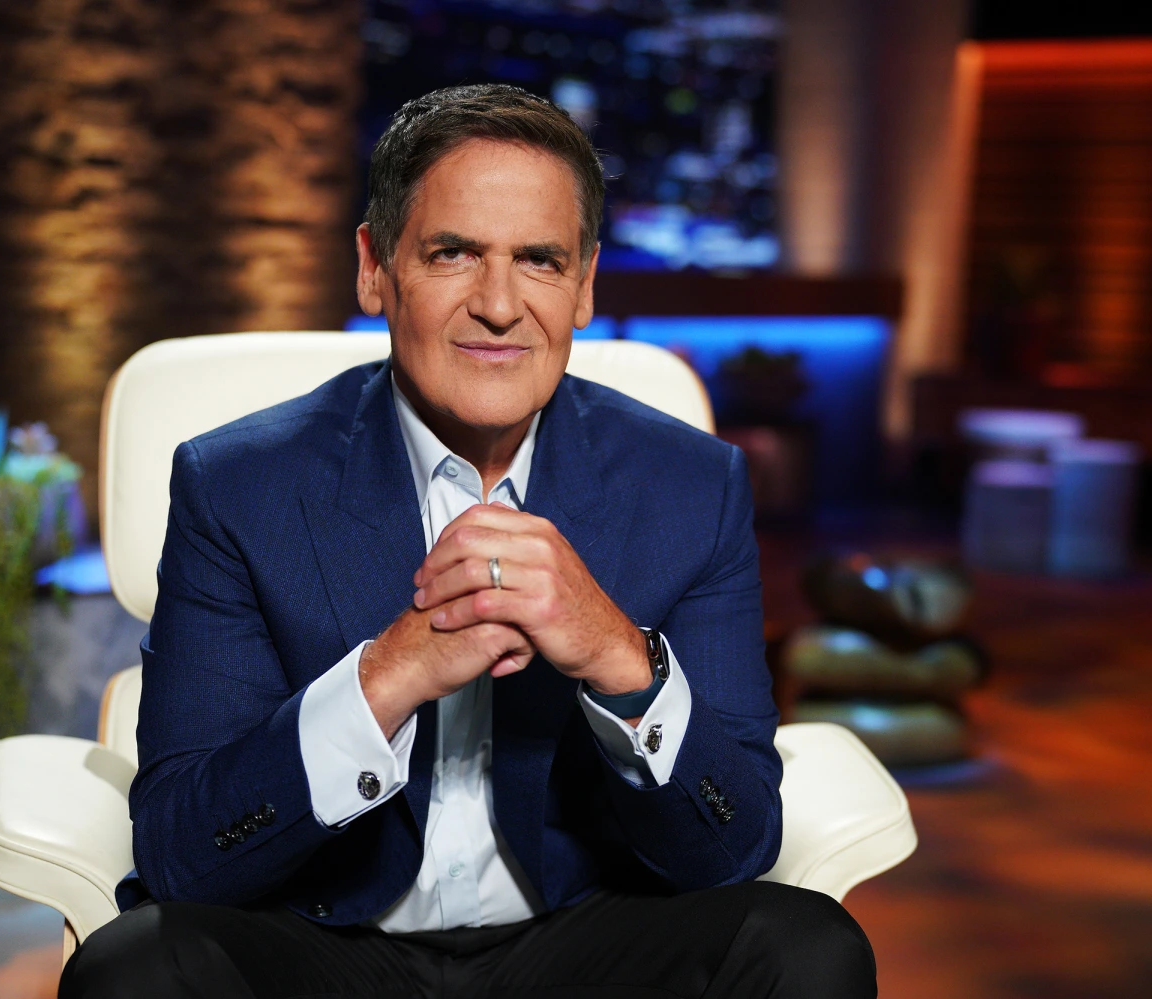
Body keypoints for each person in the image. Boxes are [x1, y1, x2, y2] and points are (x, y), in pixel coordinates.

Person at [60, 84, 876, 999]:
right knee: (135, 968)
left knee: (807, 947)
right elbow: (181, 852)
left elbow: (738, 843)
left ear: (584, 285)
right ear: (375, 269)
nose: (498, 304)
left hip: (579, 942)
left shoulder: (691, 486)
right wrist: (388, 676)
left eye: (539, 260)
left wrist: (618, 655)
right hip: (327, 940)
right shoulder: (238, 485)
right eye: (452, 253)